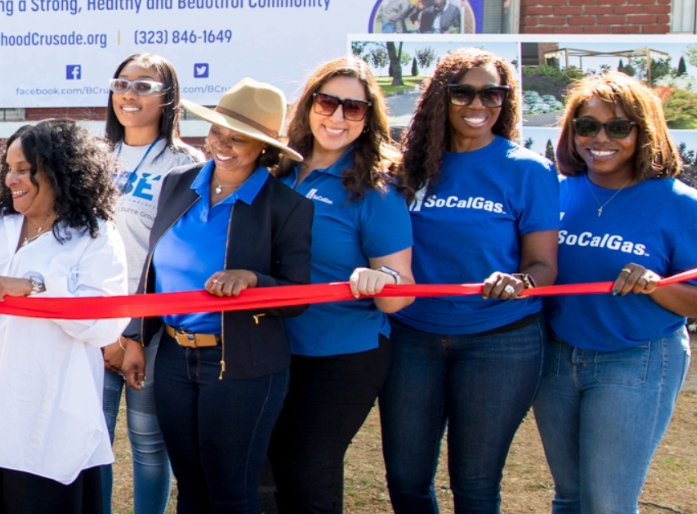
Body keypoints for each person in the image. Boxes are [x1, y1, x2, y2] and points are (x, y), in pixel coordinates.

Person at [382, 48, 558, 514]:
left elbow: (543, 266)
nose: (478, 104)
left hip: (499, 342)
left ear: (506, 100)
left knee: (475, 483)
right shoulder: (409, 167)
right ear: (442, 98)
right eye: (463, 93)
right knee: (405, 478)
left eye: (492, 94)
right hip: (412, 337)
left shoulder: (528, 170)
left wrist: (520, 280)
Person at [140, 78, 312, 514]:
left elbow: (298, 297)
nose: (224, 145)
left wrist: (255, 279)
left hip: (242, 365)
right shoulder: (177, 183)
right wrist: (134, 336)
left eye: (240, 139)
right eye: (218, 132)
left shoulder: (287, 207)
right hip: (176, 360)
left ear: (265, 148)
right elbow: (153, 270)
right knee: (191, 490)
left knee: (232, 493)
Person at [535, 72, 696, 514]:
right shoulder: (553, 193)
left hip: (636, 357)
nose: (600, 138)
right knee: (569, 498)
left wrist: (657, 286)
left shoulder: (680, 203)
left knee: (607, 504)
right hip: (555, 356)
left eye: (618, 127)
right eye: (587, 126)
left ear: (644, 133)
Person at [266, 58, 415, 514]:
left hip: (342, 357)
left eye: (354, 108)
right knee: (265, 472)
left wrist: (381, 280)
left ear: (368, 119)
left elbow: (401, 292)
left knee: (309, 473)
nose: (337, 117)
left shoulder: (374, 191)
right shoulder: (274, 171)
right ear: (308, 105)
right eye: (328, 102)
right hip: (269, 349)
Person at [0, 118, 128, 513]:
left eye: (23, 170)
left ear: (57, 171)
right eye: (9, 169)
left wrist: (36, 286)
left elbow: (105, 323)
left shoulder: (96, 234)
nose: (11, 179)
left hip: (48, 423)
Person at [97, 53, 199, 514]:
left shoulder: (189, 165)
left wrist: (134, 331)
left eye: (143, 86)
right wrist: (106, 331)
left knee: (149, 446)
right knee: (91, 440)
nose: (129, 95)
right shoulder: (94, 158)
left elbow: (177, 260)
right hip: (92, 326)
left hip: (153, 331)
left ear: (168, 98)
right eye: (122, 84)